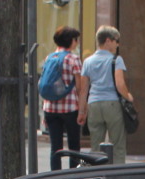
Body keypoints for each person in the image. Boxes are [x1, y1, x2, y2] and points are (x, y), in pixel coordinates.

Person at [78, 26, 134, 164]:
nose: (117, 44)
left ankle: (97, 174)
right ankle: (118, 174)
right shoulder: (116, 60)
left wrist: (81, 111)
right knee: (118, 144)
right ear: (108, 41)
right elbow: (120, 84)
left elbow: (83, 89)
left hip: (94, 104)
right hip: (112, 103)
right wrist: (128, 97)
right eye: (116, 41)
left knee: (96, 145)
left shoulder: (88, 61)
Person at [41, 27, 82, 170]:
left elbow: (45, 84)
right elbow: (80, 87)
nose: (77, 43)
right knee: (74, 146)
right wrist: (82, 110)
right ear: (71, 41)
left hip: (50, 108)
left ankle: (55, 177)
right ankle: (73, 178)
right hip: (69, 108)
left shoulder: (49, 57)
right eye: (76, 40)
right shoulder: (73, 59)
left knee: (55, 147)